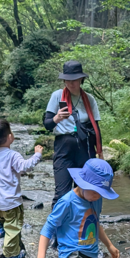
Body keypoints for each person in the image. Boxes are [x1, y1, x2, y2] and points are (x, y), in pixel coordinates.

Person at [43, 60, 104, 208]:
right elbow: (47, 124)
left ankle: (82, 227)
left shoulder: (89, 99)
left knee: (85, 190)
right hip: (64, 147)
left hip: (85, 147)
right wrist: (57, 118)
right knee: (61, 194)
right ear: (64, 80)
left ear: (81, 79)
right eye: (68, 80)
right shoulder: (57, 96)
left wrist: (100, 153)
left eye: (75, 79)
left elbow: (95, 127)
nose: (71, 83)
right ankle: (56, 229)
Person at [0, 119, 43, 258]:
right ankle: (11, 254)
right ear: (10, 136)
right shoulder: (12, 155)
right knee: (13, 225)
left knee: (1, 209)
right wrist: (37, 155)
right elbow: (24, 167)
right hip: (10, 199)